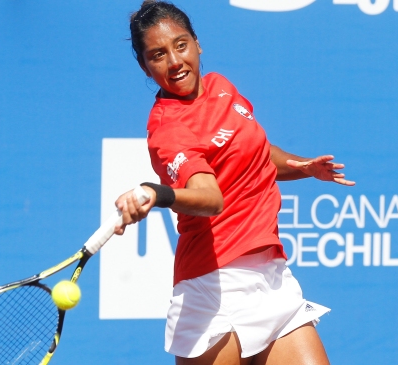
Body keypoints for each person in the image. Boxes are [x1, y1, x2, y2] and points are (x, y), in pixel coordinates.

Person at [114, 1, 355, 364]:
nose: (175, 62)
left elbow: (256, 149)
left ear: (197, 43)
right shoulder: (168, 129)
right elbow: (210, 199)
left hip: (272, 278)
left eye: (181, 45)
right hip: (213, 288)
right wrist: (157, 192)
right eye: (158, 55)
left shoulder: (221, 86)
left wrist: (301, 166)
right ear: (144, 66)